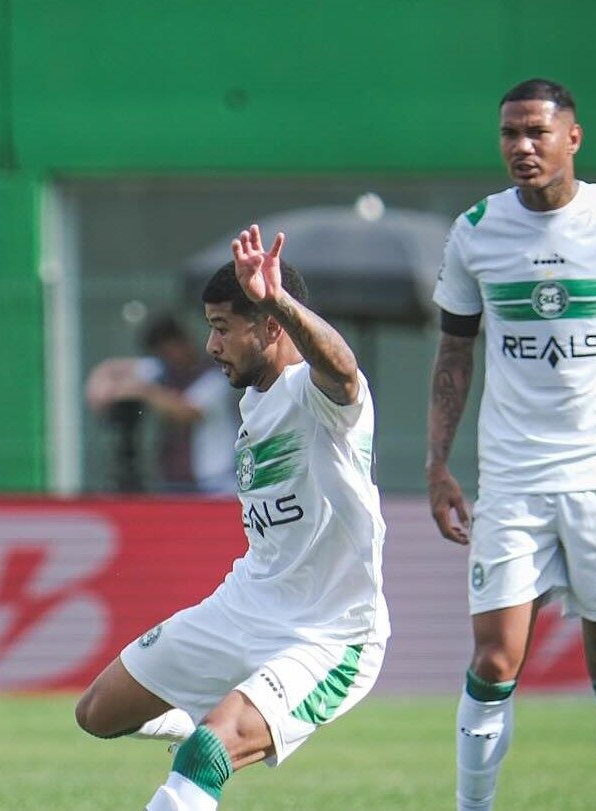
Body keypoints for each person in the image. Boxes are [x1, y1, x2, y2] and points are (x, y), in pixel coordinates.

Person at [75, 224, 389, 810]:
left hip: (328, 630)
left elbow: (343, 371)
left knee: (206, 757)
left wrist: (281, 300)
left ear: (270, 325)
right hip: (244, 604)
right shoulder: (253, 397)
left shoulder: (317, 396)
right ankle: (197, 721)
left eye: (222, 329)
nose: (211, 346)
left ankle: (204, 740)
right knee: (96, 712)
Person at [427, 77, 596, 811]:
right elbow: (453, 354)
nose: (522, 147)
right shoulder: (475, 231)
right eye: (510, 134)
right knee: (495, 657)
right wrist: (437, 464)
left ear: (574, 137)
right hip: (513, 477)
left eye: (537, 131)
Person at [86, 314, 240, 494]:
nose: (169, 357)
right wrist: (100, 385)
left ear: (184, 342)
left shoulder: (216, 377)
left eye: (170, 350)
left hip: (215, 483)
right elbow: (114, 368)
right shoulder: (163, 370)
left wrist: (142, 391)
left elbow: (184, 412)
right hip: (174, 483)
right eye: (162, 353)